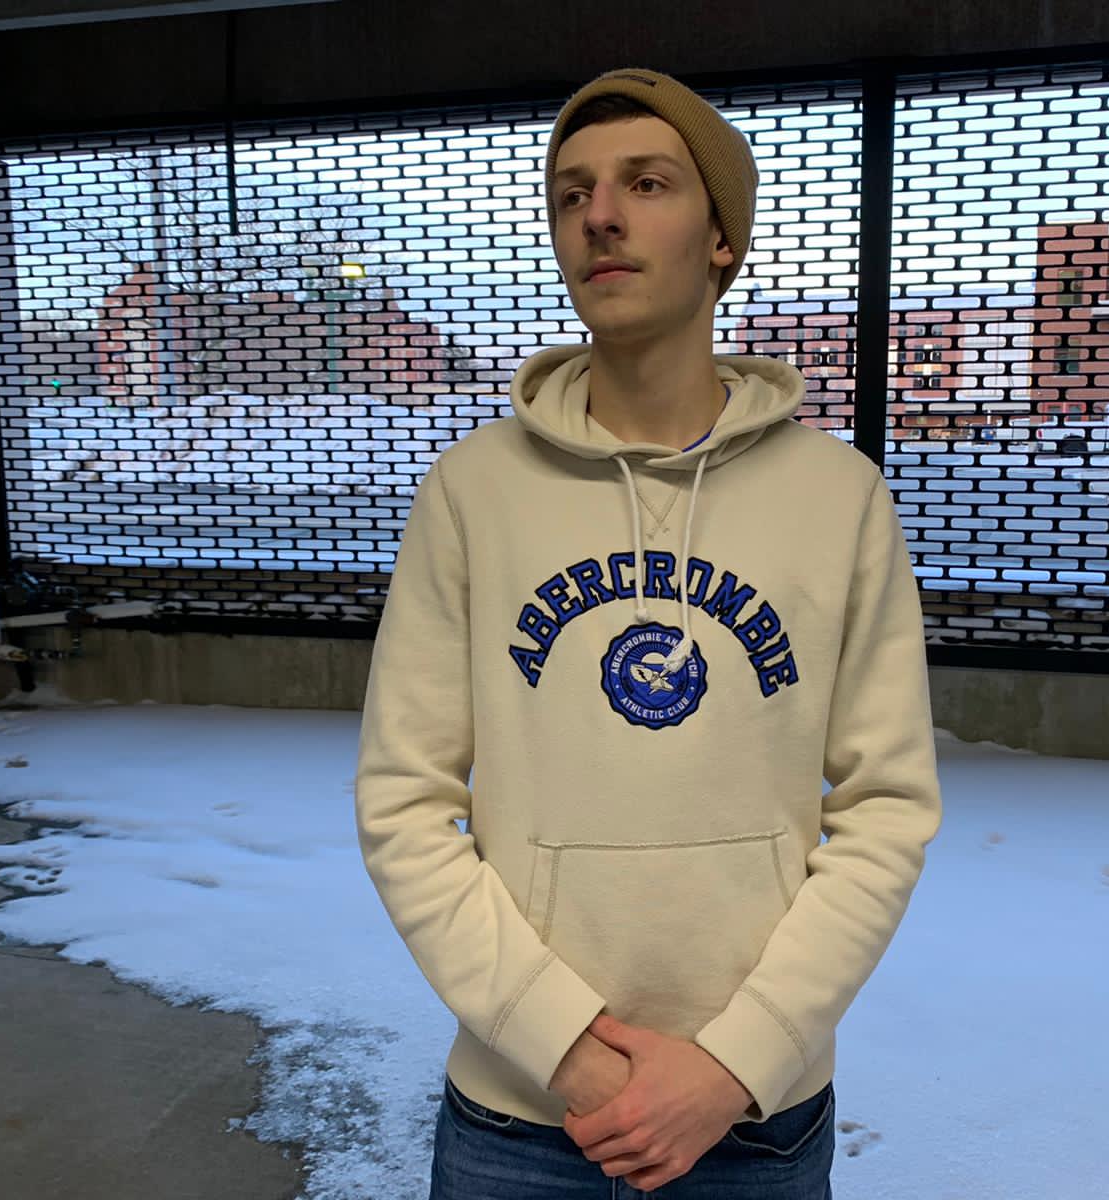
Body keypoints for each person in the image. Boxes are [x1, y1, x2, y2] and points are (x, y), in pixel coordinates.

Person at [354, 66, 943, 1199]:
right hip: (521, 1121)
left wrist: (736, 1061)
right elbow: (402, 803)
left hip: (752, 1119)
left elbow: (887, 809)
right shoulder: (472, 492)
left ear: (722, 237)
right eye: (572, 194)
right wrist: (563, 1050)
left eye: (646, 183)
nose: (601, 216)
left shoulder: (838, 498)